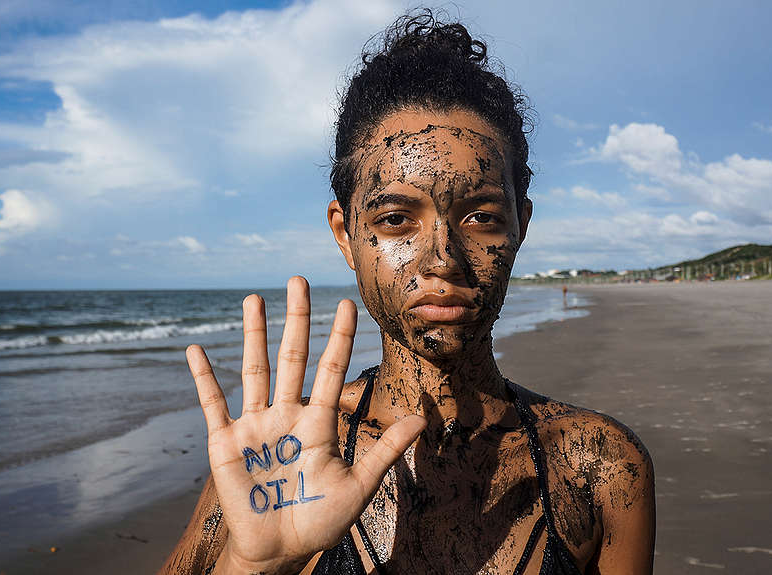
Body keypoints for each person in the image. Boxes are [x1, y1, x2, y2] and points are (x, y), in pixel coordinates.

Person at [159, 11, 654, 575]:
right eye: (396, 218)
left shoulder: (599, 467)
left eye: (481, 216)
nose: (443, 258)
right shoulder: (281, 461)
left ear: (521, 226)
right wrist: (251, 564)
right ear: (347, 236)